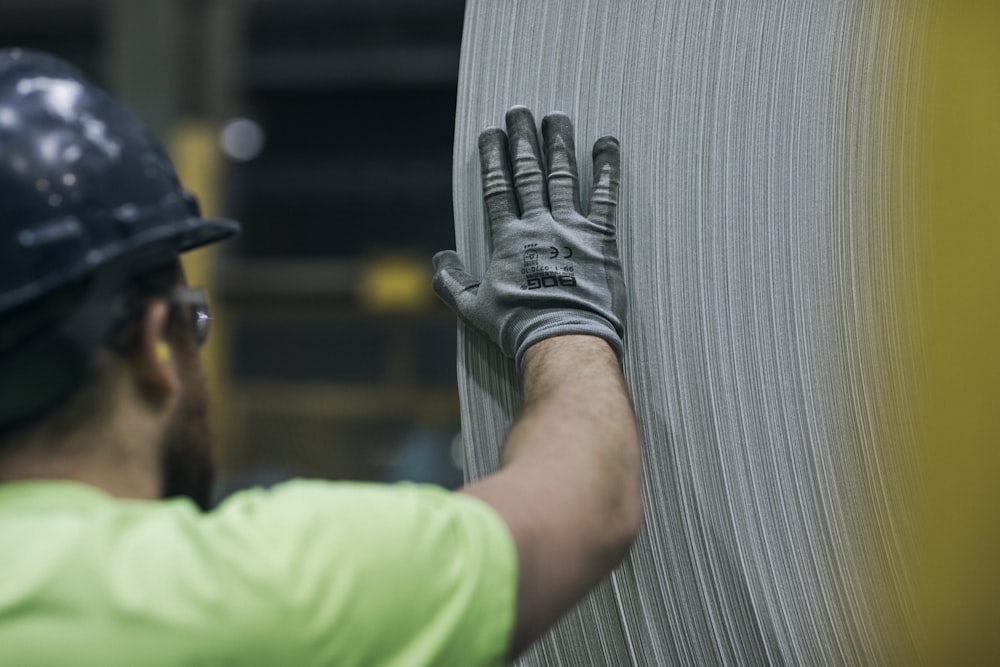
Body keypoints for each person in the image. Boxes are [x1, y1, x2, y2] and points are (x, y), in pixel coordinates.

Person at [0, 48, 640, 666]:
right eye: (194, 321)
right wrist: (560, 316)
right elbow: (589, 503)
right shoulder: (222, 596)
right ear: (154, 343)